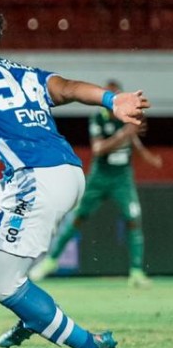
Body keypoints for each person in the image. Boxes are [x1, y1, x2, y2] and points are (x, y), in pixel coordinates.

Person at [0, 7, 141, 348]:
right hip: (52, 172)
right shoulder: (26, 72)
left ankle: (90, 346)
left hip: (38, 178)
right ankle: (27, 304)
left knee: (3, 287)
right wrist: (112, 100)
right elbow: (68, 88)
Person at [31, 80, 162, 287]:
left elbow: (132, 140)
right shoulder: (98, 119)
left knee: (134, 219)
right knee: (78, 218)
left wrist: (148, 157)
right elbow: (98, 149)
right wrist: (123, 135)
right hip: (100, 177)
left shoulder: (127, 118)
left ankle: (136, 272)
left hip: (122, 178)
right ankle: (51, 260)